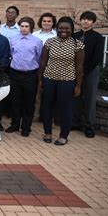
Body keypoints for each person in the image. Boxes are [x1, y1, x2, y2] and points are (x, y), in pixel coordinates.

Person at [38, 17, 84, 146]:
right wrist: (40, 79)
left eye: (66, 28)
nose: (63, 30)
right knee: (47, 107)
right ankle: (48, 132)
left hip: (67, 81)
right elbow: (43, 62)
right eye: (60, 28)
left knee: (66, 109)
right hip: (49, 79)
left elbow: (79, 67)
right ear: (56, 29)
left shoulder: (77, 44)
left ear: (71, 30)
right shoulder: (50, 42)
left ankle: (64, 135)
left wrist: (78, 85)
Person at [5, 17, 43, 137]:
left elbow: (39, 57)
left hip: (30, 75)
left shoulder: (37, 41)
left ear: (31, 27)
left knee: (28, 102)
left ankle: (26, 127)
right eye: (22, 26)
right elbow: (11, 54)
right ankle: (15, 124)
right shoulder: (14, 40)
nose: (24, 28)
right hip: (15, 73)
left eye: (26, 26)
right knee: (15, 101)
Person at [73, 11, 103, 138]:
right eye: (84, 19)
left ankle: (89, 126)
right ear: (80, 20)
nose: (86, 21)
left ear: (93, 22)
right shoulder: (74, 36)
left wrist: (84, 70)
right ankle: (75, 122)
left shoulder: (97, 37)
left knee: (90, 99)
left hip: (90, 72)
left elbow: (97, 57)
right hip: (74, 71)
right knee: (75, 96)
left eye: (89, 20)